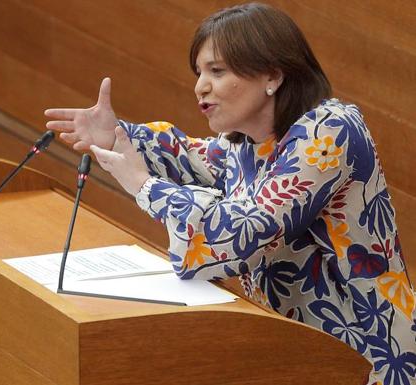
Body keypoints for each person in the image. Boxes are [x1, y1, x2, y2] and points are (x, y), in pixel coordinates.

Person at [44, 3, 416, 384]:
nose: (200, 86)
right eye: (199, 72)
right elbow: (192, 156)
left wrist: (143, 185)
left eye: (217, 71)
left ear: (272, 74)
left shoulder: (330, 131)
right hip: (299, 351)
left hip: (366, 357)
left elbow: (245, 229)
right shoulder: (250, 142)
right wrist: (117, 137)